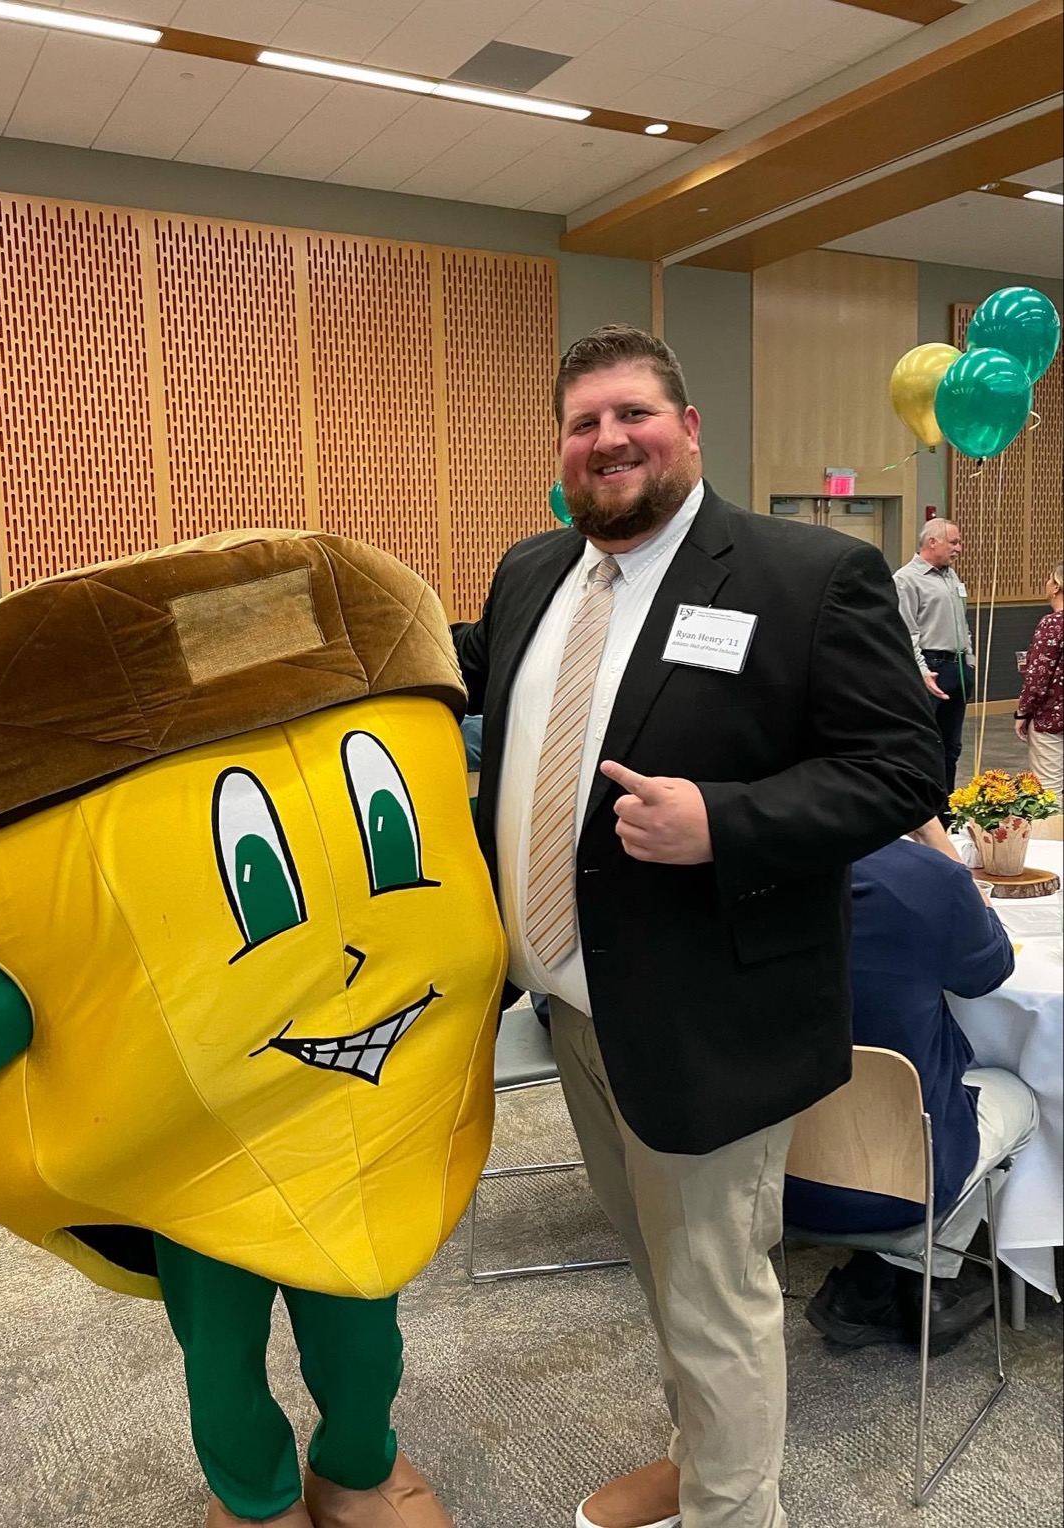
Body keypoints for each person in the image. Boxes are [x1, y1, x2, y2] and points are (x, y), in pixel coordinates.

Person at [0, 528, 508, 1528]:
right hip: (200, 1160)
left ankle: (359, 1464)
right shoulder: (69, 870)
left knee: (364, 1331)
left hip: (356, 1136)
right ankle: (254, 1496)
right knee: (223, 1355)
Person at [453, 324, 943, 1528]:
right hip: (569, 1004)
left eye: (632, 414)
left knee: (717, 1291)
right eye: (583, 423)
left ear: (689, 429)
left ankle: (736, 1509)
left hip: (711, 1010)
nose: (607, 439)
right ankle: (700, 1460)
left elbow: (900, 767)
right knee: (660, 1275)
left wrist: (725, 821)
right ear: (561, 450)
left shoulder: (805, 574)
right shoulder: (526, 574)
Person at [787, 819, 1037, 1352]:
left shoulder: (742, 864)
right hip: (903, 1189)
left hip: (757, 1172)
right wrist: (940, 846)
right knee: (1017, 1092)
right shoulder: (929, 877)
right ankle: (929, 1282)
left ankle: (872, 1279)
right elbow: (992, 969)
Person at [893, 519, 975, 797]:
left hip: (958, 668)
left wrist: (970, 661)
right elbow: (907, 632)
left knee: (952, 747)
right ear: (932, 543)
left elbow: (962, 624)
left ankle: (945, 808)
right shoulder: (905, 579)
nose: (959, 549)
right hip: (930, 669)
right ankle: (921, 810)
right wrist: (922, 671)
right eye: (953, 542)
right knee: (926, 746)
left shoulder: (950, 576)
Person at [1014, 561, 1063, 796]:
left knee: (1049, 791)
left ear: (1056, 586)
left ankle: (1051, 834)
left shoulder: (1052, 623)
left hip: (1052, 718)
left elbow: (1038, 677)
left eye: (1049, 579)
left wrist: (1023, 711)